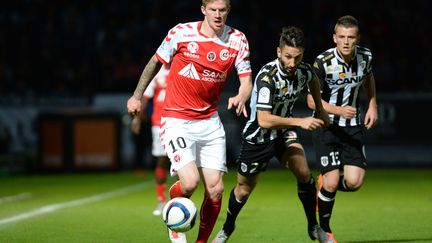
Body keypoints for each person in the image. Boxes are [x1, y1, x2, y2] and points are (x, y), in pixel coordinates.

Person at [127, 0, 253, 242]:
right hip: (176, 119)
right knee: (189, 183)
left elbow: (247, 80)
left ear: (228, 11)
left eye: (222, 10)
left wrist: (241, 95)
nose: (218, 15)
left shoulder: (237, 39)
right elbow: (154, 62)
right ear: (203, 9)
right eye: (213, 10)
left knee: (216, 189)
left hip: (210, 121)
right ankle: (173, 221)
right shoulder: (180, 33)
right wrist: (136, 96)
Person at [213, 26, 330, 243]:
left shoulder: (303, 71)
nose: (292, 63)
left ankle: (314, 227)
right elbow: (264, 119)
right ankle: (228, 228)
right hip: (258, 137)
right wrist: (300, 121)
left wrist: (321, 111)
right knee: (243, 190)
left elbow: (313, 80)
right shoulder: (268, 77)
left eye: (297, 57)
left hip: (283, 133)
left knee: (304, 173)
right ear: (278, 52)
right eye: (288, 57)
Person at [306, 15, 378, 242]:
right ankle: (325, 231)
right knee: (332, 181)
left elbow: (369, 78)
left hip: (353, 127)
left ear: (357, 39)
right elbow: (310, 101)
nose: (346, 42)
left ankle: (325, 186)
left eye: (351, 37)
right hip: (325, 125)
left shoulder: (365, 57)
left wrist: (373, 104)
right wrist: (337, 110)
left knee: (354, 182)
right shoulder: (322, 62)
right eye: (342, 37)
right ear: (334, 38)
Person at [130, 64, 170, 216]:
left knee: (184, 162)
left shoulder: (183, 68)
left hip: (181, 121)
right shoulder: (157, 75)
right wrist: (137, 120)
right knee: (162, 160)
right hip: (159, 123)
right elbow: (145, 99)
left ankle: (180, 199)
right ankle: (161, 201)